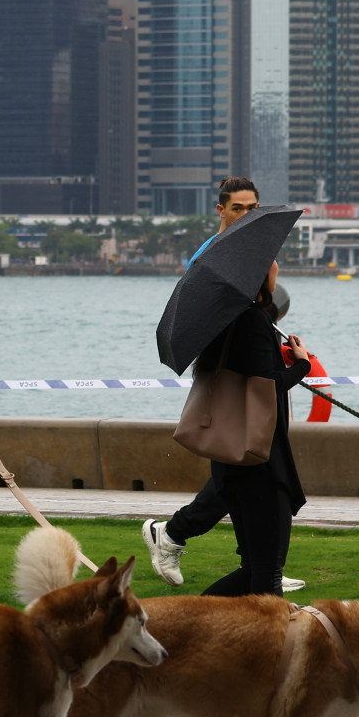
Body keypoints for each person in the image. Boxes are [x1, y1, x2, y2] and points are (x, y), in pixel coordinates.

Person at [144, 176, 306, 593]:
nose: (247, 215)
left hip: (243, 436)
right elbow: (264, 384)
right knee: (260, 569)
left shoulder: (245, 302)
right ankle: (182, 536)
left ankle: (254, 562)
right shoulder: (222, 274)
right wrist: (300, 366)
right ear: (221, 209)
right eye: (239, 208)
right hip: (254, 442)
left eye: (253, 208)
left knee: (255, 563)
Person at [185, 261, 311, 597]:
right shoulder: (253, 320)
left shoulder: (225, 319)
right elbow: (266, 387)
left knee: (253, 571)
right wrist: (301, 364)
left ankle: (193, 621)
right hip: (261, 466)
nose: (277, 268)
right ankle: (268, 645)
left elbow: (249, 380)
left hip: (231, 462)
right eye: (272, 264)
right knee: (267, 576)